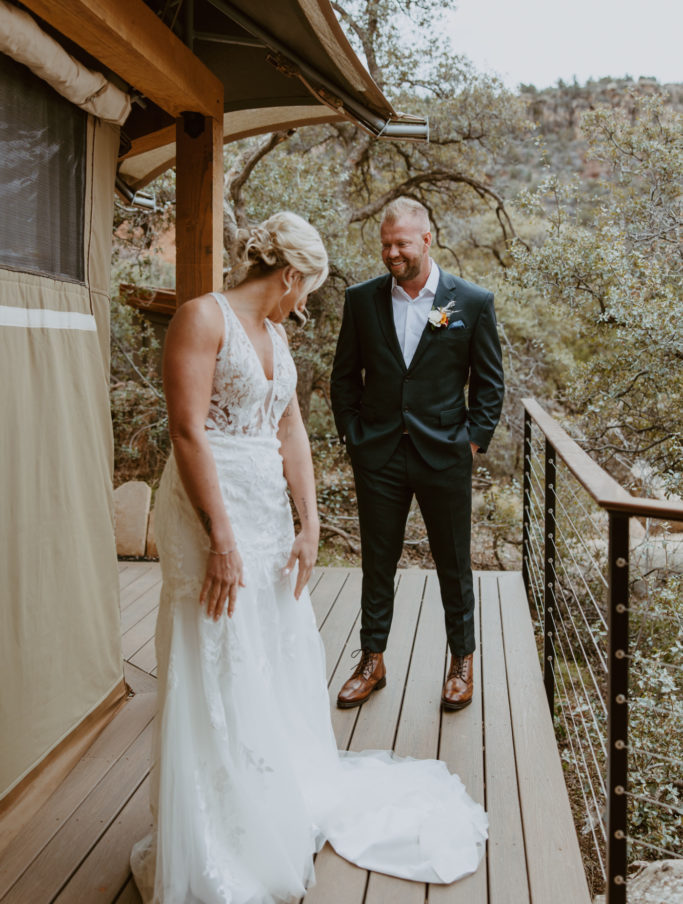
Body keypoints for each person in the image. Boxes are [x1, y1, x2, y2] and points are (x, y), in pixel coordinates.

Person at [130, 211, 487, 904]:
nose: (306, 302)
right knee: (215, 645)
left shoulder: (274, 332)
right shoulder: (201, 319)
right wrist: (221, 538)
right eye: (306, 289)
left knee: (270, 642)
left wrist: (309, 518)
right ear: (290, 274)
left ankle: (273, 790)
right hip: (212, 511)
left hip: (268, 513)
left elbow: (288, 422)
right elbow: (186, 430)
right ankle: (216, 824)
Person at [331, 197, 504, 711]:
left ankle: (462, 660)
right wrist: (353, 436)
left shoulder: (469, 302)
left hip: (445, 454)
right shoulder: (361, 300)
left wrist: (470, 443)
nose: (391, 253)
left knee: (454, 564)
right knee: (377, 562)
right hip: (378, 454)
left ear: (426, 240)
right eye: (385, 244)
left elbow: (490, 386)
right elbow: (344, 378)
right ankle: (372, 660)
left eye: (401, 243)